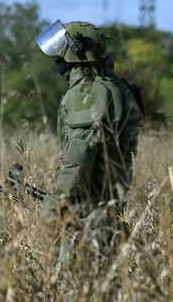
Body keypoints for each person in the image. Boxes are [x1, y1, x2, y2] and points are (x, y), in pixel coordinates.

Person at [35, 20, 143, 273]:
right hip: (109, 213)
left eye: (61, 50)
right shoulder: (117, 87)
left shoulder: (89, 93)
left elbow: (79, 156)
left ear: (77, 52)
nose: (58, 59)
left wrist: (54, 206)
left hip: (86, 220)